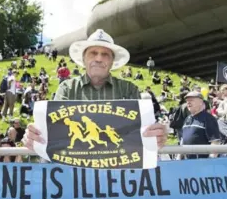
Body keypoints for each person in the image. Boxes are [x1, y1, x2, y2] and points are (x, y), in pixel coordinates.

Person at [23, 29, 167, 151]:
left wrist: (157, 135)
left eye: (105, 54)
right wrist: (35, 136)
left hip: (118, 169)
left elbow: (142, 131)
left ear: (112, 62)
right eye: (93, 53)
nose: (98, 58)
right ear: (84, 59)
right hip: (76, 171)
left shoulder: (129, 89)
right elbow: (55, 128)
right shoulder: (67, 89)